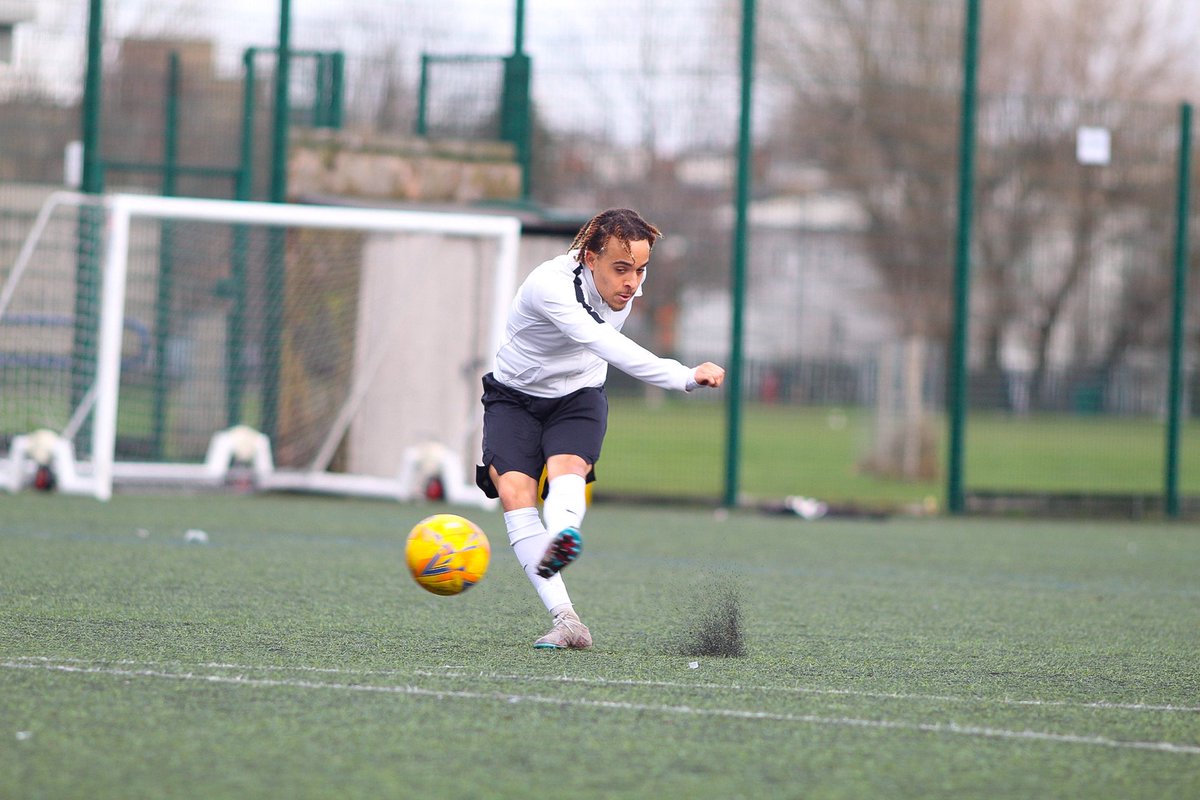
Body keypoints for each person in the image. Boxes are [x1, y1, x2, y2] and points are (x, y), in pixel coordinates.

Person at [476, 208, 725, 650]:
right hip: (514, 397)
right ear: (590, 258)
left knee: (568, 466)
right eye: (621, 269)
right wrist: (684, 376)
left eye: (641, 269)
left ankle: (563, 534)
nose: (632, 283)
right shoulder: (550, 286)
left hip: (579, 395)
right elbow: (606, 344)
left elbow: (603, 347)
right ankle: (568, 620)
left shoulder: (625, 281)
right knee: (516, 493)